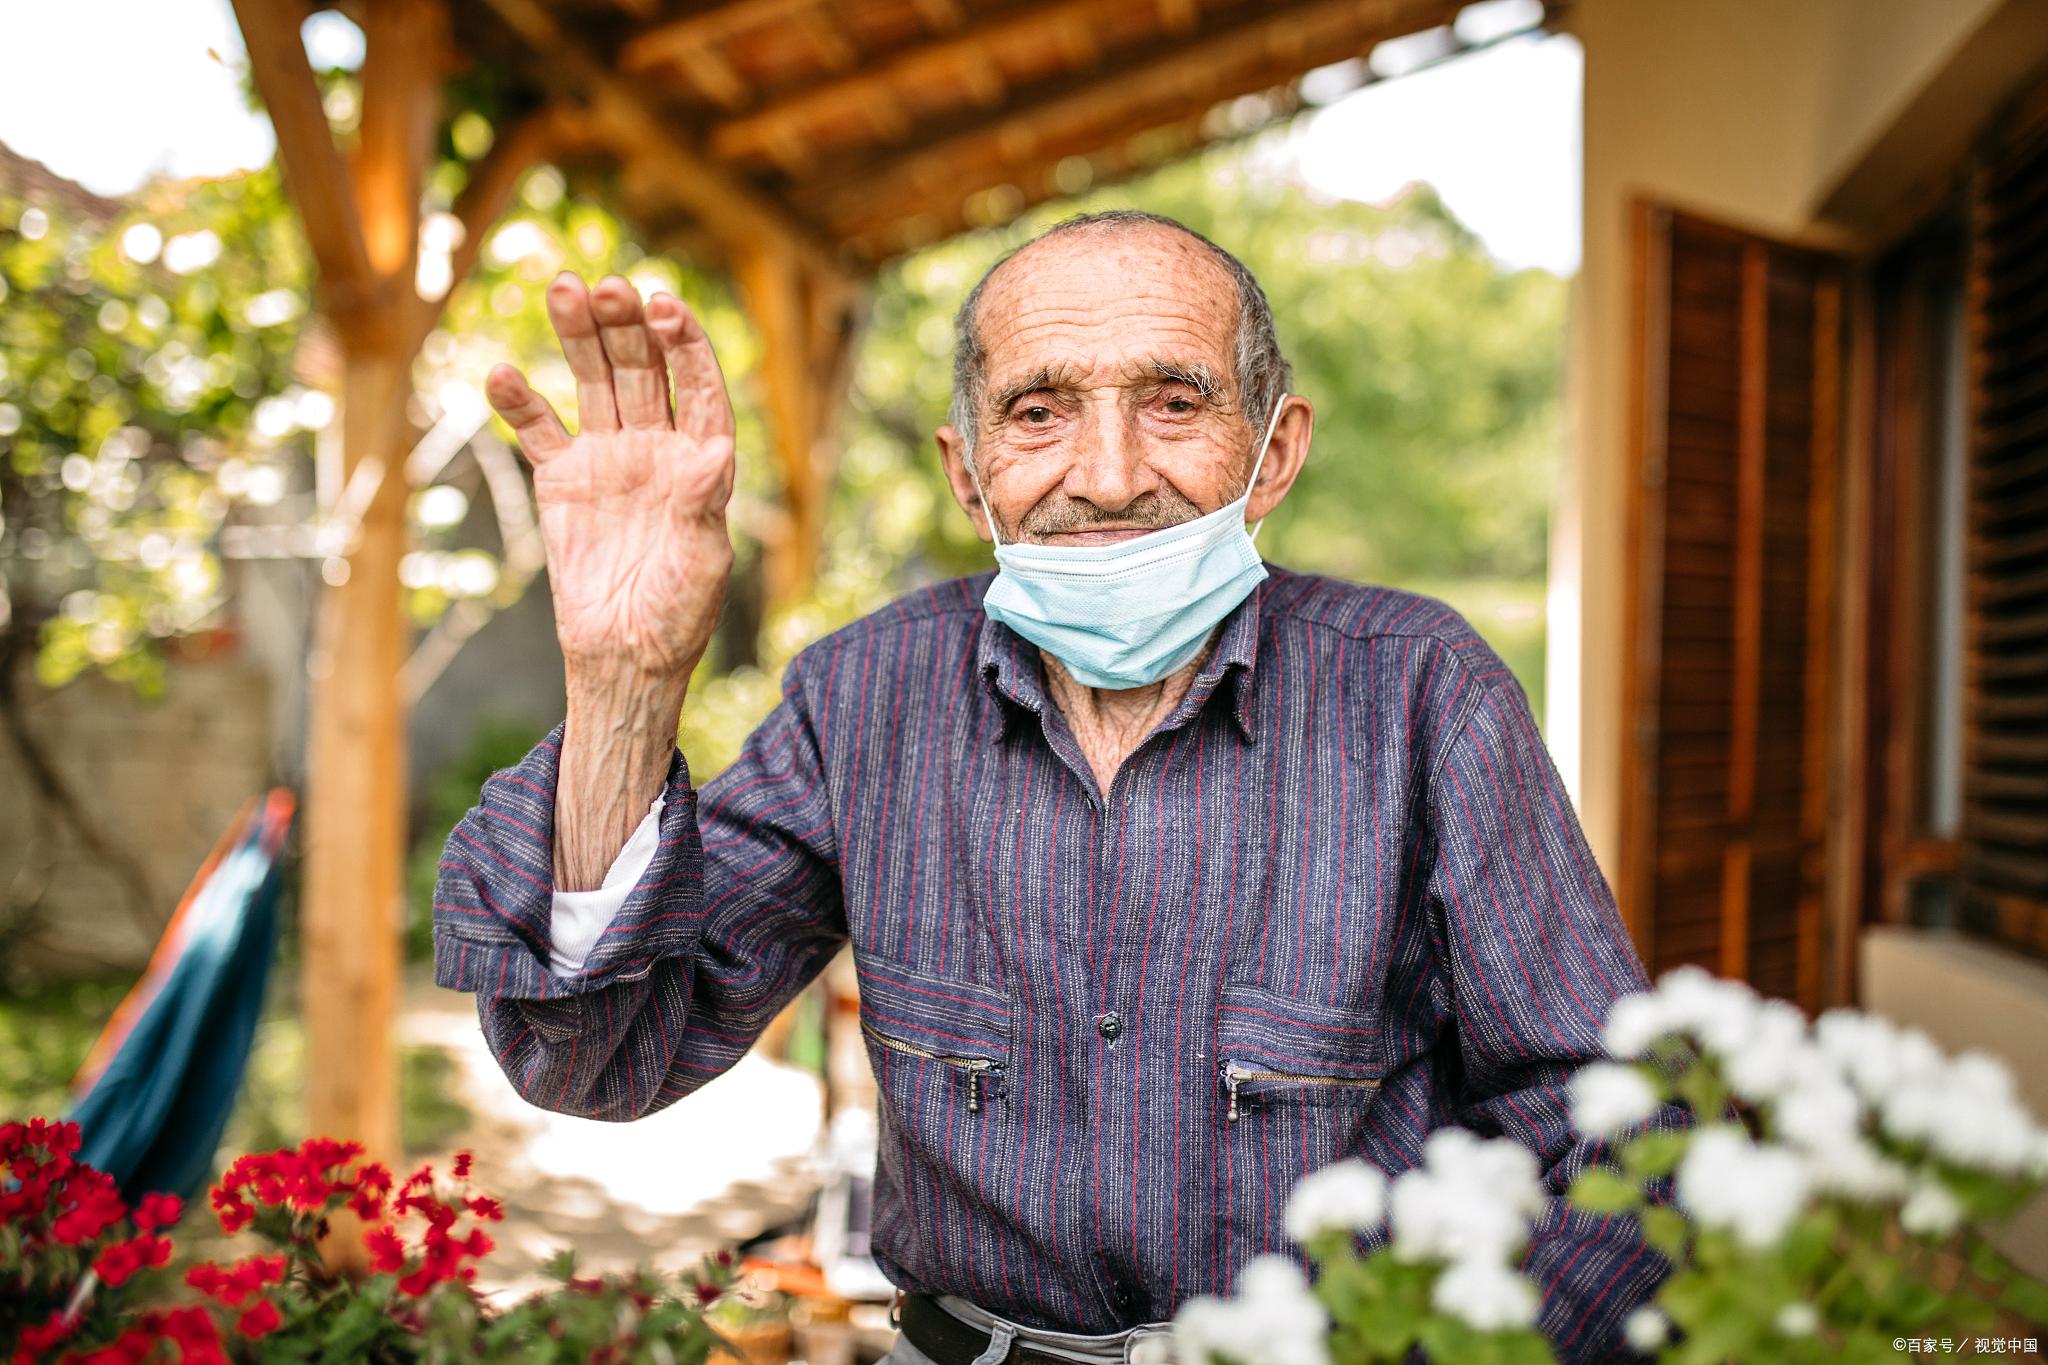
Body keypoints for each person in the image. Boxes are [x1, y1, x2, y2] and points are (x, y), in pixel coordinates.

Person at [433, 210, 1674, 1364]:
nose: (1109, 471)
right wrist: (622, 681)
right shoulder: (861, 697)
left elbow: (1614, 1124)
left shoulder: (1419, 693)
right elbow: (598, 1061)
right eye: (1037, 410)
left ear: (1275, 449)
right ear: (967, 474)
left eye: (1174, 400)